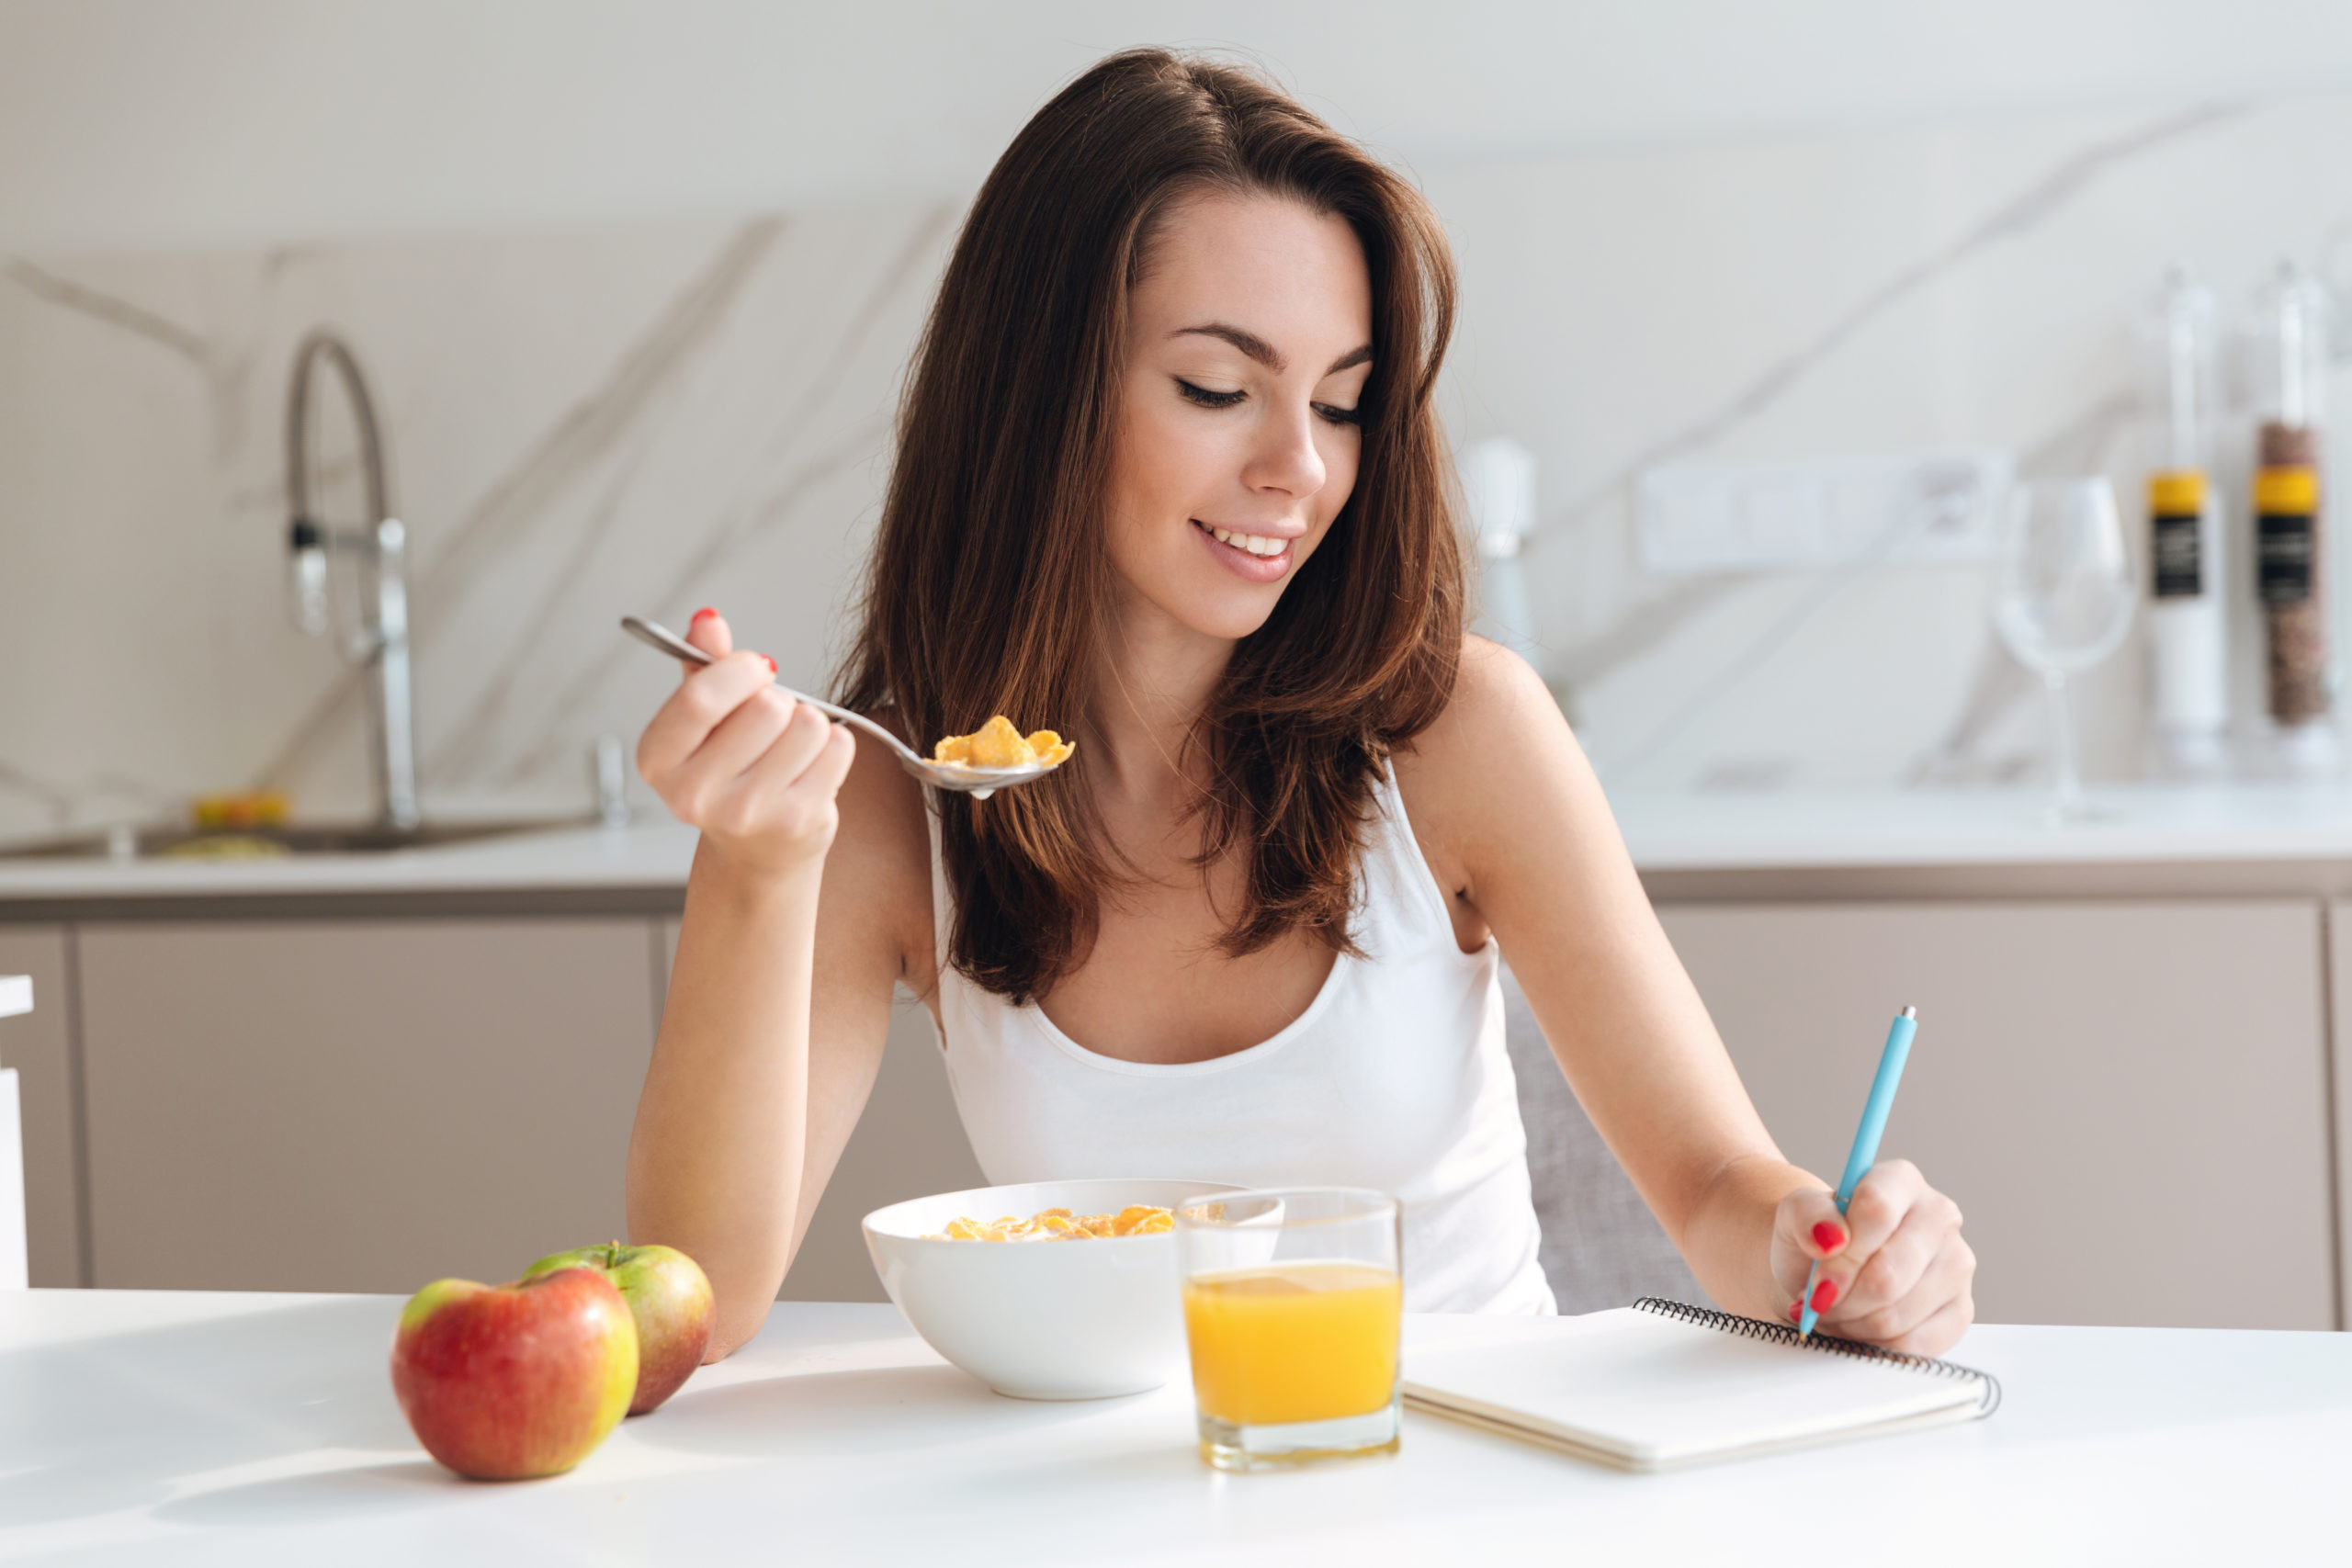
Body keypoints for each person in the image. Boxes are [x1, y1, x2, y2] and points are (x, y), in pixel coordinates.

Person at [628, 49, 1974, 1361]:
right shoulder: (890, 797)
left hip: (1473, 1485)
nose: (1300, 469)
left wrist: (1833, 1252)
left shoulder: (1458, 738)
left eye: (1342, 404)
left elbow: (1716, 1191)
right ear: (1038, 399)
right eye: (1219, 390)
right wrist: (754, 870)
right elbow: (694, 1305)